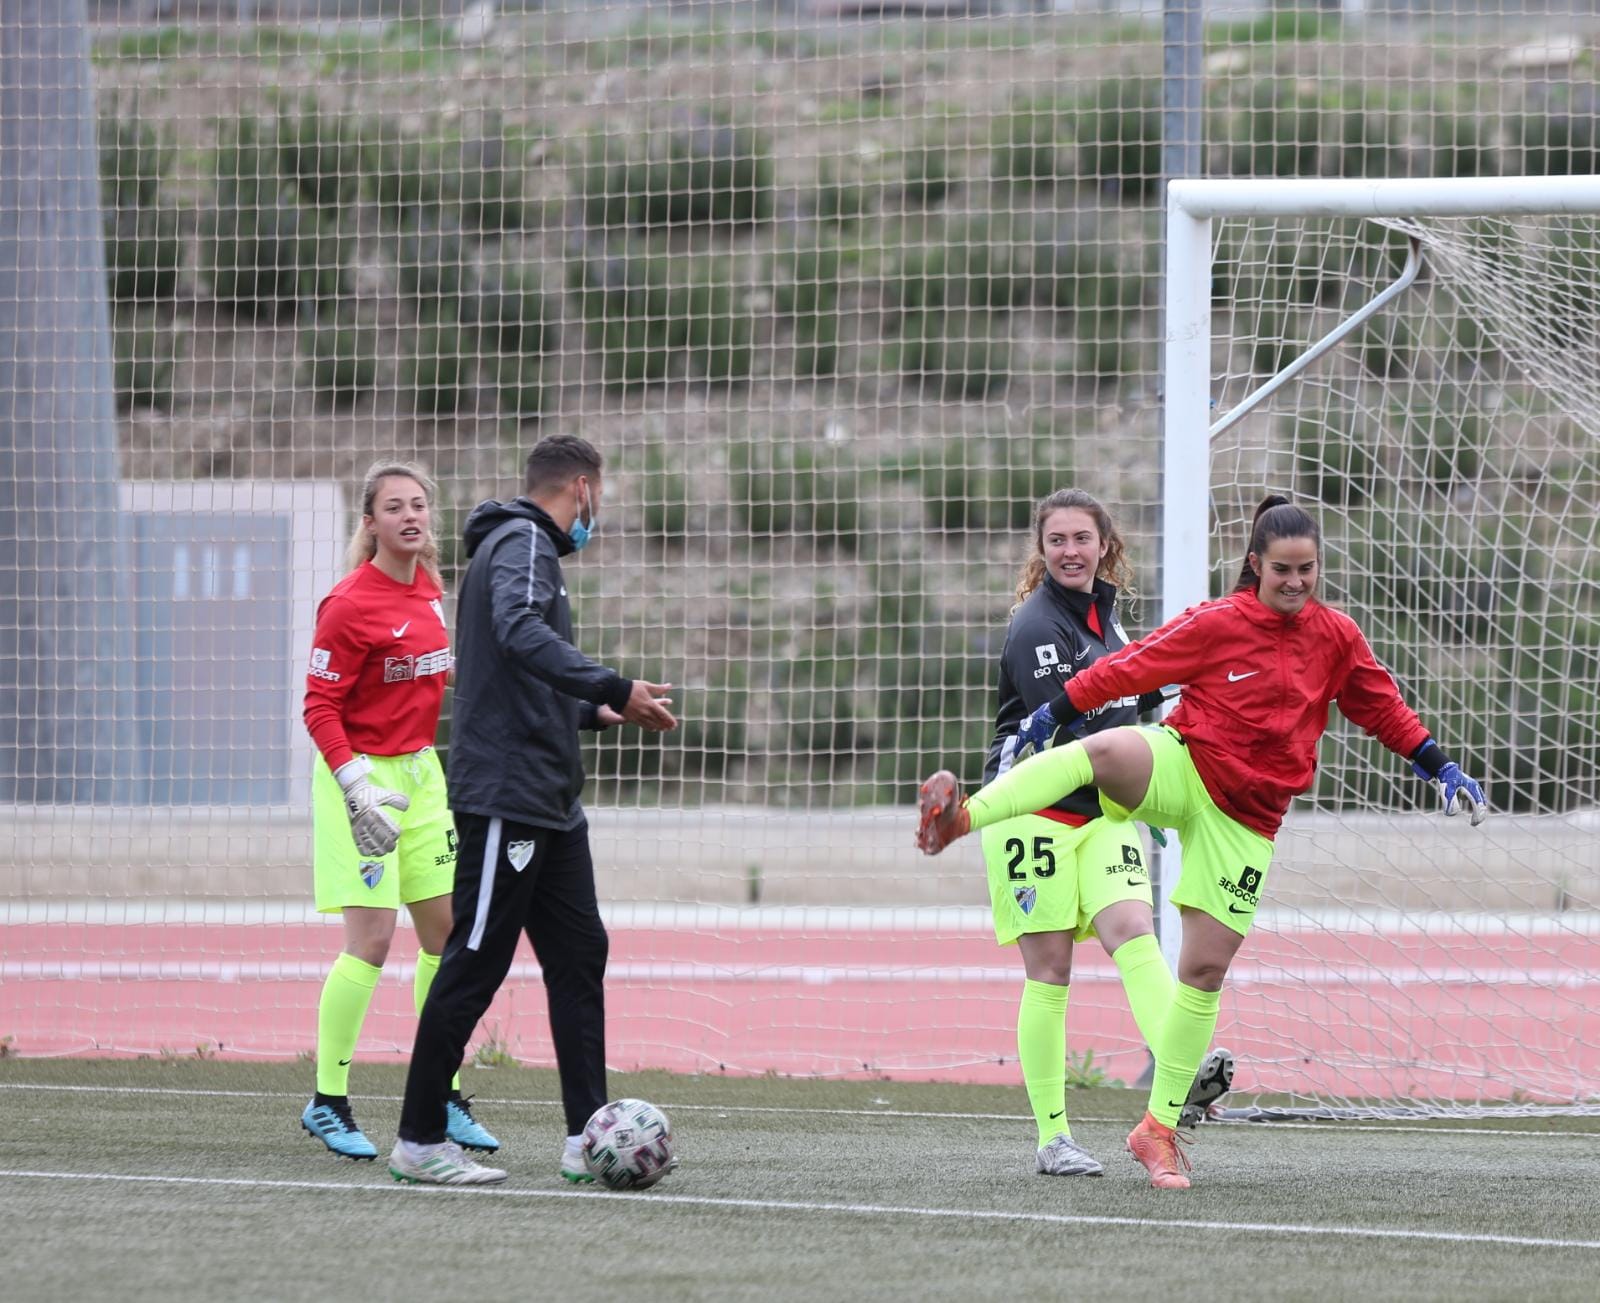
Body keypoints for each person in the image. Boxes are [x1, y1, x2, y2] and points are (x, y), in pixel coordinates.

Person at [917, 494, 1487, 1190]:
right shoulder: (1208, 620)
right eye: (1283, 568)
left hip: (1245, 820)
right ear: (1255, 565)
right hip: (1177, 768)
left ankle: (1157, 1128)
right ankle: (962, 820)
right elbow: (1131, 674)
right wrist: (1048, 716)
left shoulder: (1334, 637)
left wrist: (1440, 764)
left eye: (1308, 569)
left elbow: (1380, 705)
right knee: (1097, 771)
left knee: (1198, 969)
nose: (1296, 581)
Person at [388, 435, 678, 1186]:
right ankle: (419, 1137)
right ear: (582, 487)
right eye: (599, 496)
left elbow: (520, 669)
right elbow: (518, 636)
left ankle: (588, 1135)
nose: (597, 510)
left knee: (580, 954)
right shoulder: (522, 543)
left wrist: (588, 715)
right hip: (508, 796)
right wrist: (612, 686)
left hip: (552, 800)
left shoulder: (529, 553)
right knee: (476, 959)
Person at [974, 490, 1233, 1180]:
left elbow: (1149, 709)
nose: (1069, 550)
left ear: (1104, 544)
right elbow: (1073, 732)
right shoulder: (1036, 627)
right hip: (1034, 813)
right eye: (1055, 539)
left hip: (1104, 815)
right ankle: (1053, 1137)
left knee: (1134, 933)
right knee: (1051, 970)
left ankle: (1186, 1069)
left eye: (1081, 538)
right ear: (1043, 550)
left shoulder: (1111, 626)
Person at [300, 461, 497, 1160]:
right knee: (373, 942)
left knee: (447, 940)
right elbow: (318, 705)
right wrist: (355, 784)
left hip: (421, 774)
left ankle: (439, 1091)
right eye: (395, 507)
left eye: (418, 505)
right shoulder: (348, 603)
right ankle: (327, 1100)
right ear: (371, 522)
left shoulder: (434, 592)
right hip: (359, 777)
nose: (411, 515)